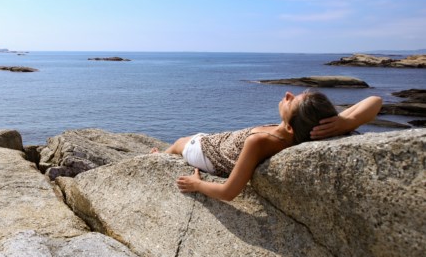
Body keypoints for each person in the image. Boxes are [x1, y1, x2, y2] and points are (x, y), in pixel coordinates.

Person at [152, 90, 382, 202]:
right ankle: (162, 152)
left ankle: (160, 154)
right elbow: (375, 101)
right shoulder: (317, 129)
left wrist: (196, 185)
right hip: (220, 141)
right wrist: (346, 121)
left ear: (291, 127)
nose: (288, 94)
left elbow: (228, 192)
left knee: (179, 143)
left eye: (292, 100)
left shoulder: (261, 141)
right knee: (187, 140)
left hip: (206, 152)